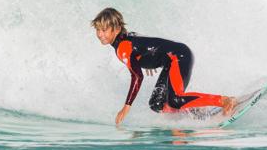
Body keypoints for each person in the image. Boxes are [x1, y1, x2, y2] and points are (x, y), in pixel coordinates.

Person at [92, 7, 237, 125]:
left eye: (104, 30)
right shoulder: (125, 38)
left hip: (179, 56)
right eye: (98, 29)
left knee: (175, 99)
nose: (100, 34)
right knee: (157, 104)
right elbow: (142, 42)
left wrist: (126, 106)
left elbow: (137, 76)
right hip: (171, 60)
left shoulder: (122, 48)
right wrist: (147, 60)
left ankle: (224, 100)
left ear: (116, 29)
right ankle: (196, 112)